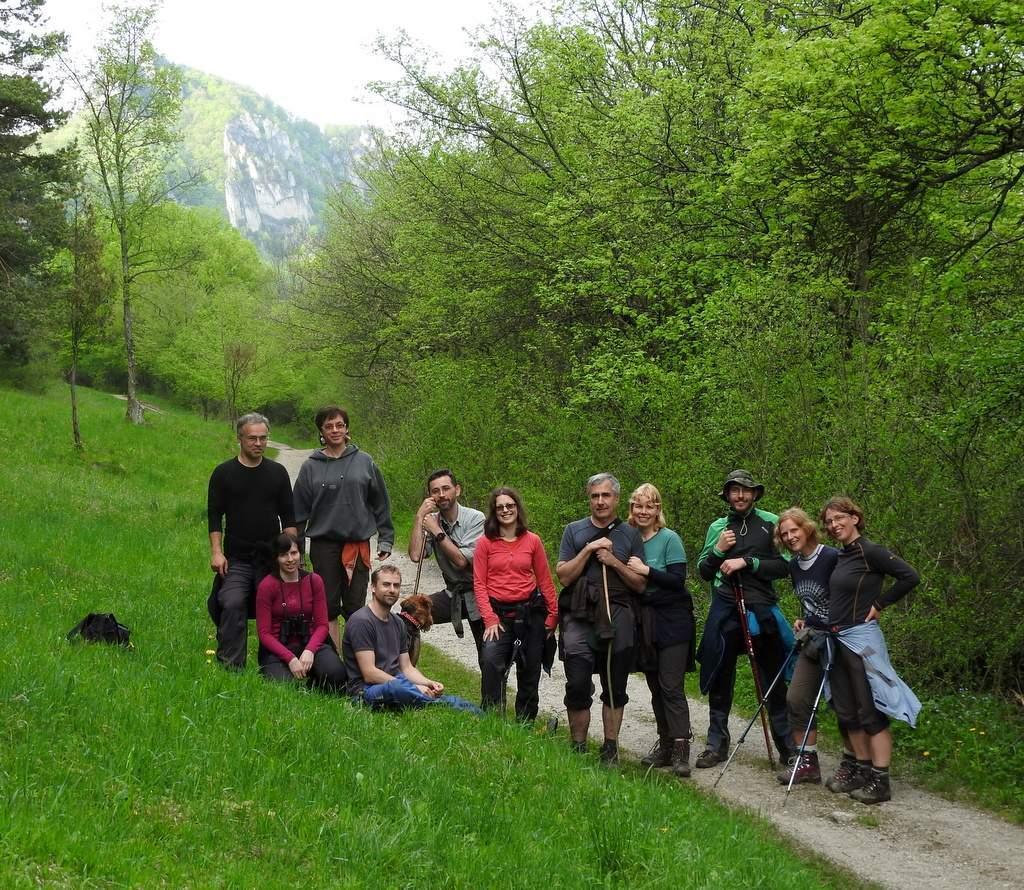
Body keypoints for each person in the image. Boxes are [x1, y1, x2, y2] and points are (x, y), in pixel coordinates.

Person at [821, 496, 921, 804]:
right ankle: (862, 771)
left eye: (839, 518)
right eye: (828, 522)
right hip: (838, 640)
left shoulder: (871, 551)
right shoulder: (841, 556)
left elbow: (910, 576)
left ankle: (881, 780)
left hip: (862, 641)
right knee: (848, 710)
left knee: (871, 708)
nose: (834, 525)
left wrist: (880, 604)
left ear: (854, 518)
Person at [695, 469, 794, 768]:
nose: (740, 495)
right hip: (726, 605)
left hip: (761, 607)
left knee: (772, 677)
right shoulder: (719, 527)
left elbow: (786, 565)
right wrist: (718, 550)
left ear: (755, 494)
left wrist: (748, 562)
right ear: (727, 495)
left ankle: (787, 747)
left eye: (745, 490)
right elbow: (702, 570)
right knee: (719, 673)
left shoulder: (771, 523)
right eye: (734, 490)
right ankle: (716, 744)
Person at [556, 473, 646, 764]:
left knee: (614, 683)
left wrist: (614, 562)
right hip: (579, 614)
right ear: (589, 498)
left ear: (617, 499)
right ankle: (577, 746)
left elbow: (639, 583)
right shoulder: (574, 531)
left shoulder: (630, 534)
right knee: (578, 681)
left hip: (617, 613)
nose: (600, 501)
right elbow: (564, 576)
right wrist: (590, 549)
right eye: (595, 496)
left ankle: (610, 747)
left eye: (606, 496)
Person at [293, 406, 394, 649]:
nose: (335, 430)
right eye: (329, 426)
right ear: (321, 431)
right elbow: (298, 513)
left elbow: (380, 501)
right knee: (326, 607)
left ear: (347, 428)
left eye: (339, 425)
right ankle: (331, 665)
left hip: (356, 545)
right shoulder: (310, 466)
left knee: (355, 607)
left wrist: (386, 537)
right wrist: (296, 551)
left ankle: (357, 663)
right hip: (323, 545)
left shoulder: (364, 461)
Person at [207, 412, 295, 669]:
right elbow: (215, 516)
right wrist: (216, 552)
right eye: (252, 438)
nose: (258, 443)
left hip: (271, 559)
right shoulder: (223, 473)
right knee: (231, 602)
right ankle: (231, 666)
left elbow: (289, 517)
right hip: (237, 559)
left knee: (281, 607)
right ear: (240, 439)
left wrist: (289, 553)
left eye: (263, 438)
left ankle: (276, 665)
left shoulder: (277, 473)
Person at [625, 483, 695, 778]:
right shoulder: (628, 539)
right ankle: (664, 743)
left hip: (674, 620)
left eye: (649, 506)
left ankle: (681, 747)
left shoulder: (669, 539)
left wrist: (646, 571)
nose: (643, 511)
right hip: (645, 622)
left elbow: (678, 580)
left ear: (658, 510)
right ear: (632, 509)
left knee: (670, 685)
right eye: (638, 506)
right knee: (654, 685)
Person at [342, 565, 480, 713]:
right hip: (366, 691)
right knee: (396, 688)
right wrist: (412, 687)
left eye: (396, 585)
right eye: (386, 584)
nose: (392, 590)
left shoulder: (398, 622)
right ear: (373, 588)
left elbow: (406, 667)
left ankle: (443, 703)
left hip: (398, 684)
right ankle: (440, 705)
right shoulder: (361, 621)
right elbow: (369, 674)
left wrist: (428, 683)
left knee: (406, 687)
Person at [473, 487, 558, 721]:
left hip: (530, 614)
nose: (505, 510)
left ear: (517, 508)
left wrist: (552, 617)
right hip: (498, 616)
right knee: (490, 662)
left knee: (530, 671)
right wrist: (489, 618)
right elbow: (479, 584)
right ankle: (491, 718)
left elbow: (545, 580)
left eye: (510, 505)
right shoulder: (485, 544)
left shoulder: (533, 541)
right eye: (500, 507)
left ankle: (525, 724)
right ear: (494, 512)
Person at [774, 507, 843, 785]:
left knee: (844, 703)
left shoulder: (831, 557)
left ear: (807, 528)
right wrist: (804, 619)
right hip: (812, 640)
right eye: (784, 534)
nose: (790, 537)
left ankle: (857, 764)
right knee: (796, 698)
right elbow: (810, 602)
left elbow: (847, 594)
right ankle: (807, 762)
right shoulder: (793, 565)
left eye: (794, 530)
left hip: (840, 640)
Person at [408, 469, 486, 659]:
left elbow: (461, 561)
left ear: (457, 490)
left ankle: (493, 687)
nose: (441, 494)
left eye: (446, 488)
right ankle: (407, 672)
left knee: (488, 658)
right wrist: (420, 518)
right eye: (435, 491)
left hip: (481, 594)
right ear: (430, 496)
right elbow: (416, 555)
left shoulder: (476, 519)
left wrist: (437, 531)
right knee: (409, 614)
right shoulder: (430, 521)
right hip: (453, 593)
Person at [254, 532, 347, 690]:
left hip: (310, 644)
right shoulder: (266, 585)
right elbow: (264, 634)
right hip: (278, 648)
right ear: (276, 558)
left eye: (294, 553)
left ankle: (314, 681)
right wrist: (290, 659)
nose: (290, 559)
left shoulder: (314, 581)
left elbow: (322, 625)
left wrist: (310, 650)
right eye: (284, 555)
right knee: (284, 689)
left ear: (300, 554)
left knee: (337, 675)